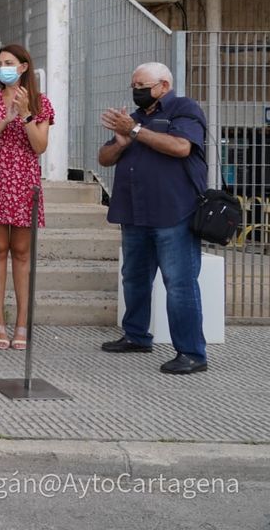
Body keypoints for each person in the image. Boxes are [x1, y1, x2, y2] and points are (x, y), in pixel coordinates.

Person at [99, 62, 208, 375]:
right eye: (134, 85)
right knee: (133, 278)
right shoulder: (132, 119)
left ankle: (191, 352)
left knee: (179, 284)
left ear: (164, 85)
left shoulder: (183, 110)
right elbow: (103, 158)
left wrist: (134, 132)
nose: (137, 90)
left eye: (143, 85)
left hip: (174, 212)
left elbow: (181, 147)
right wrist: (120, 144)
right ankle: (136, 335)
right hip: (134, 212)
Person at [0, 44, 54, 351]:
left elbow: (40, 146)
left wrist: (26, 116)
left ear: (23, 67)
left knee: (21, 252)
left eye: (8, 62)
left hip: (23, 182)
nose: (2, 67)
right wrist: (4, 121)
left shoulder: (39, 102)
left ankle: (21, 322)